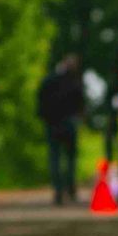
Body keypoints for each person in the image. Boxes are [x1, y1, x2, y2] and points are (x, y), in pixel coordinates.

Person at [35, 54, 87, 205]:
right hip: (67, 123)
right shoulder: (74, 82)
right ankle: (69, 189)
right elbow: (81, 103)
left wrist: (43, 117)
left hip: (53, 124)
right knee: (69, 159)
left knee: (55, 158)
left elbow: (40, 99)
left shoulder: (49, 80)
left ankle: (59, 190)